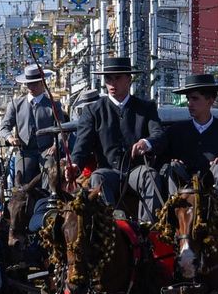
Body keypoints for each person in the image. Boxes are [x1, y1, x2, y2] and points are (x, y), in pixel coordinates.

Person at [70, 56, 169, 206]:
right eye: (108, 79)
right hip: (109, 171)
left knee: (150, 175)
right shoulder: (93, 111)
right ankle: (110, 222)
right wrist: (75, 164)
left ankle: (148, 227)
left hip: (137, 170)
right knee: (97, 177)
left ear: (128, 79)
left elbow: (159, 135)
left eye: (117, 78)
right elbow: (82, 145)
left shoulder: (146, 107)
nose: (112, 83)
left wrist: (146, 142)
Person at [162, 74, 218, 194]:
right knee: (172, 166)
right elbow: (160, 165)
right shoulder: (175, 132)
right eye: (188, 99)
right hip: (183, 196)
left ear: (210, 100)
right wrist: (173, 164)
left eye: (195, 98)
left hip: (216, 197)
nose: (190, 103)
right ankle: (173, 210)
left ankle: (217, 208)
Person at [1, 63, 66, 187]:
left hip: (46, 151)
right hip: (25, 151)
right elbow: (4, 127)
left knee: (50, 171)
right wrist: (10, 138)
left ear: (43, 83)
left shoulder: (53, 105)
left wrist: (55, 145)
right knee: (21, 176)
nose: (31, 87)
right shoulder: (16, 104)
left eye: (35, 83)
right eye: (28, 83)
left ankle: (48, 199)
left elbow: (62, 130)